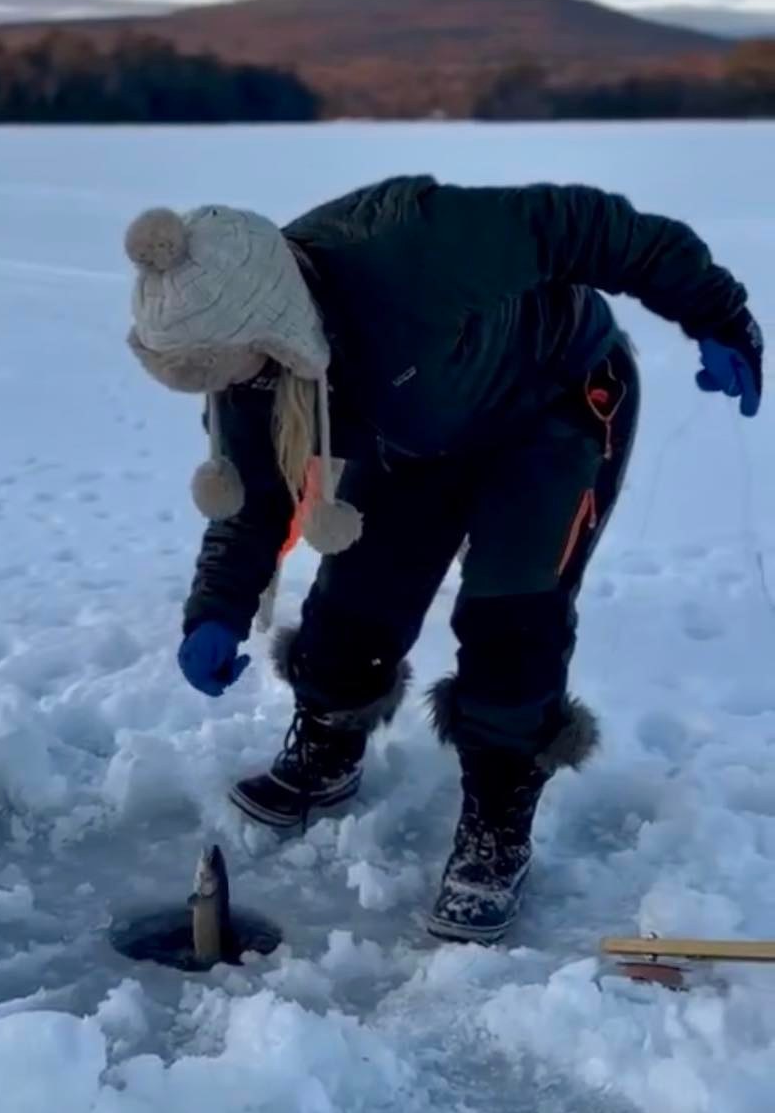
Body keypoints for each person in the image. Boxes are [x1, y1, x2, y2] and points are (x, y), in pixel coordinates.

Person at [124, 177, 762, 943]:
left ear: (271, 325)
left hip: (553, 409)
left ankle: (498, 821)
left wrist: (716, 314)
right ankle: (328, 745)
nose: (232, 388)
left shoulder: (415, 247)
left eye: (236, 368)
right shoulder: (247, 368)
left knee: (510, 617)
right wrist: (218, 611)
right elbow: (257, 495)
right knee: (354, 602)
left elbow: (595, 228)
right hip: (417, 434)